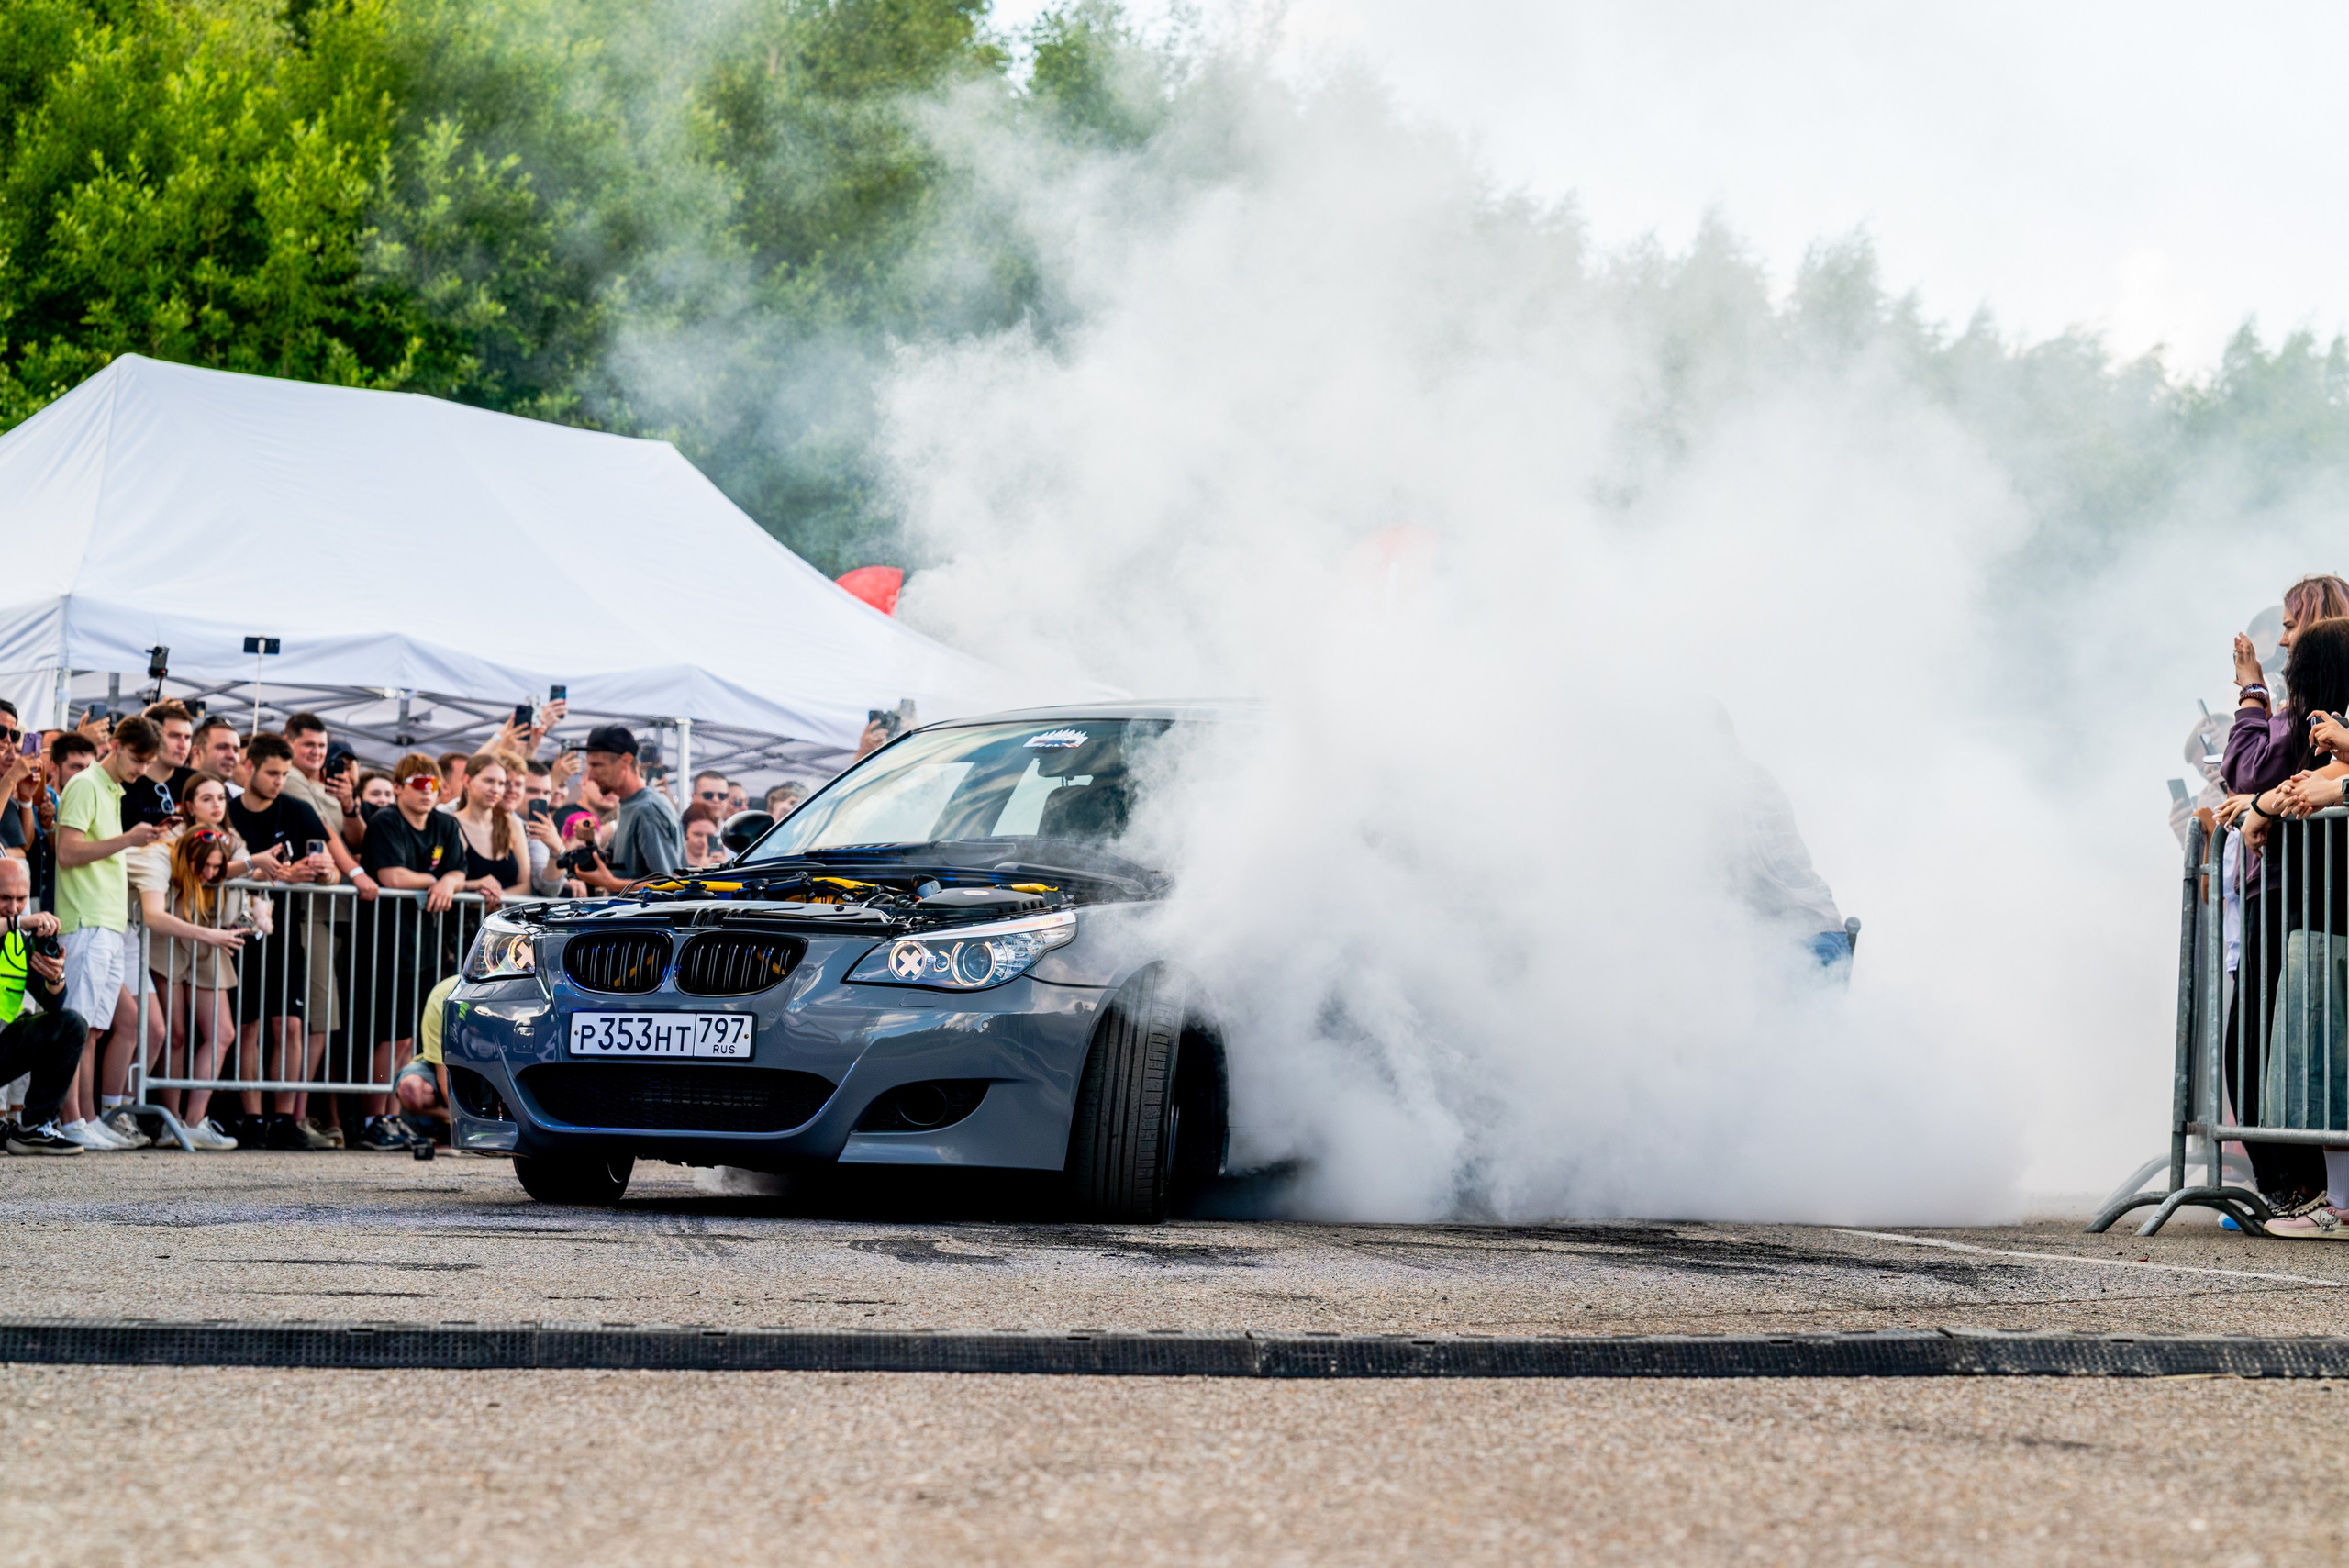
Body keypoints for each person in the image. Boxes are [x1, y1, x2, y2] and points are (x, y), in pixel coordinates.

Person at [2234, 617, 2349, 1231]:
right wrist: (2265, 803)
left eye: (2289, 631)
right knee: (2324, 1063)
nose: (2281, 644)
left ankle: (2334, 1204)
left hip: (2332, 916)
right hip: (2322, 919)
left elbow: (2308, 783)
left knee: (2330, 1064)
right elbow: (2307, 782)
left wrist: (2266, 800)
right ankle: (2334, 1201)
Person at [360, 754, 488, 1150]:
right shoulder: (385, 821)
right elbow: (391, 876)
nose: (427, 791)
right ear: (399, 787)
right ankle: (374, 1118)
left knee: (407, 1038)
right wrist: (438, 880)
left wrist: (450, 882)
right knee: (389, 1035)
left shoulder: (444, 824)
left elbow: (458, 870)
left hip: (428, 946)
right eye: (418, 784)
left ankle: (393, 1117)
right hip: (387, 943)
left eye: (433, 784)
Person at [53, 714, 165, 1150]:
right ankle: (71, 1121)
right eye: (137, 759)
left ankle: (86, 1117)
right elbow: (67, 852)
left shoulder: (108, 788)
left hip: (106, 923)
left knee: (93, 1031)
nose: (142, 769)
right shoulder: (86, 784)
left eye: (147, 762)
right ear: (115, 745)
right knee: (77, 1028)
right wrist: (128, 840)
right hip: (86, 921)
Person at [227, 733, 340, 1150]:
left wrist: (323, 872)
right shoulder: (229, 811)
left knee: (290, 1025)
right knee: (249, 1026)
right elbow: (219, 867)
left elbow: (332, 870)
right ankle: (254, 1117)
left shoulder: (297, 809)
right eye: (271, 773)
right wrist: (276, 873)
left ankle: (285, 1118)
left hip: (288, 931)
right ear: (249, 767)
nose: (278, 781)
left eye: (284, 774)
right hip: (238, 931)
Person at [135, 825, 252, 1151]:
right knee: (174, 1034)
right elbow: (155, 915)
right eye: (206, 866)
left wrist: (247, 865)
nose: (211, 874)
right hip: (168, 942)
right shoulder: (165, 858)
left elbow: (235, 898)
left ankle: (193, 1121)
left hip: (206, 945)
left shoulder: (226, 854)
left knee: (222, 1032)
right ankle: (172, 1123)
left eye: (217, 868)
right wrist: (210, 934)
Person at [0, 858, 94, 1156]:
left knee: (71, 1024)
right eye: (4, 898)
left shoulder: (18, 940)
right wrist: (19, 923)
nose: (13, 908)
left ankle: (35, 1127)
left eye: (20, 899)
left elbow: (53, 1004)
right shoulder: (16, 925)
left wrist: (55, 978)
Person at [574, 726, 682, 891]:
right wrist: (591, 844)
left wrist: (611, 883)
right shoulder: (630, 803)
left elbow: (671, 885)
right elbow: (623, 865)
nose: (591, 776)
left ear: (625, 760)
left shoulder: (647, 810)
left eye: (597, 765)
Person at [453, 752, 532, 900]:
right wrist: (474, 891)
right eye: (489, 781)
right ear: (467, 781)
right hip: (463, 913)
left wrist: (497, 899)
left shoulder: (513, 825)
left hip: (504, 913)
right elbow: (443, 880)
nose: (496, 789)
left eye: (501, 783)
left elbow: (526, 885)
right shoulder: (451, 824)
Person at [394, 973, 462, 1138]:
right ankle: (457, 1124)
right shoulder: (442, 997)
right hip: (449, 1069)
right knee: (411, 1089)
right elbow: (444, 1078)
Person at [191, 716, 245, 794]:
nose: (231, 755)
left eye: (236, 750)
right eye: (222, 747)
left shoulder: (240, 797)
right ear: (197, 752)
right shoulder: (174, 793)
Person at [681, 804, 725, 869]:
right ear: (685, 833)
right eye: (698, 834)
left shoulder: (719, 859)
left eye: (710, 837)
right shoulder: (673, 862)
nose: (704, 841)